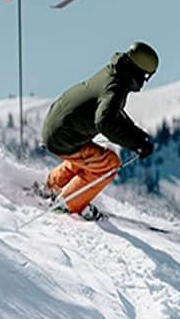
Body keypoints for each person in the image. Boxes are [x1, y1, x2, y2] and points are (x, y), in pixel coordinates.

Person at [40, 42, 159, 220]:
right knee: (109, 164)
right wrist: (136, 143)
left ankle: (52, 186)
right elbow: (105, 122)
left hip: (57, 127)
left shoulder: (114, 73)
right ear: (139, 73)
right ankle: (67, 204)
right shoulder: (115, 87)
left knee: (90, 159)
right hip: (64, 136)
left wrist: (137, 135)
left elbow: (113, 113)